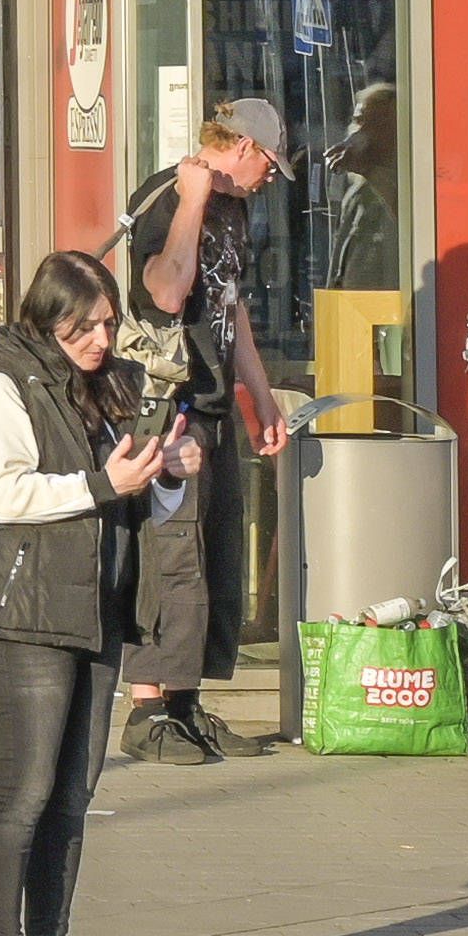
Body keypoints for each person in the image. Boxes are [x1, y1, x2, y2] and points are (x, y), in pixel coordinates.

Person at [0, 255, 166, 936]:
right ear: (50, 316)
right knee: (23, 792)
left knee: (73, 794)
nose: (104, 337)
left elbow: (125, 486)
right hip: (26, 615)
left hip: (93, 610)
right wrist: (106, 485)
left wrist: (165, 470)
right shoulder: (1, 386)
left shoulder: (95, 387)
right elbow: (3, 493)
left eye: (110, 323)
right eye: (90, 323)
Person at [104, 91, 298, 756]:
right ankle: (148, 709)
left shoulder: (235, 211)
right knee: (172, 557)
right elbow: (166, 291)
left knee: (214, 554)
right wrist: (192, 199)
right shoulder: (167, 199)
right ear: (241, 146)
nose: (270, 178)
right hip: (164, 405)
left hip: (213, 402)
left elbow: (230, 306)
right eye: (269, 163)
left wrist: (263, 397)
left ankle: (189, 702)